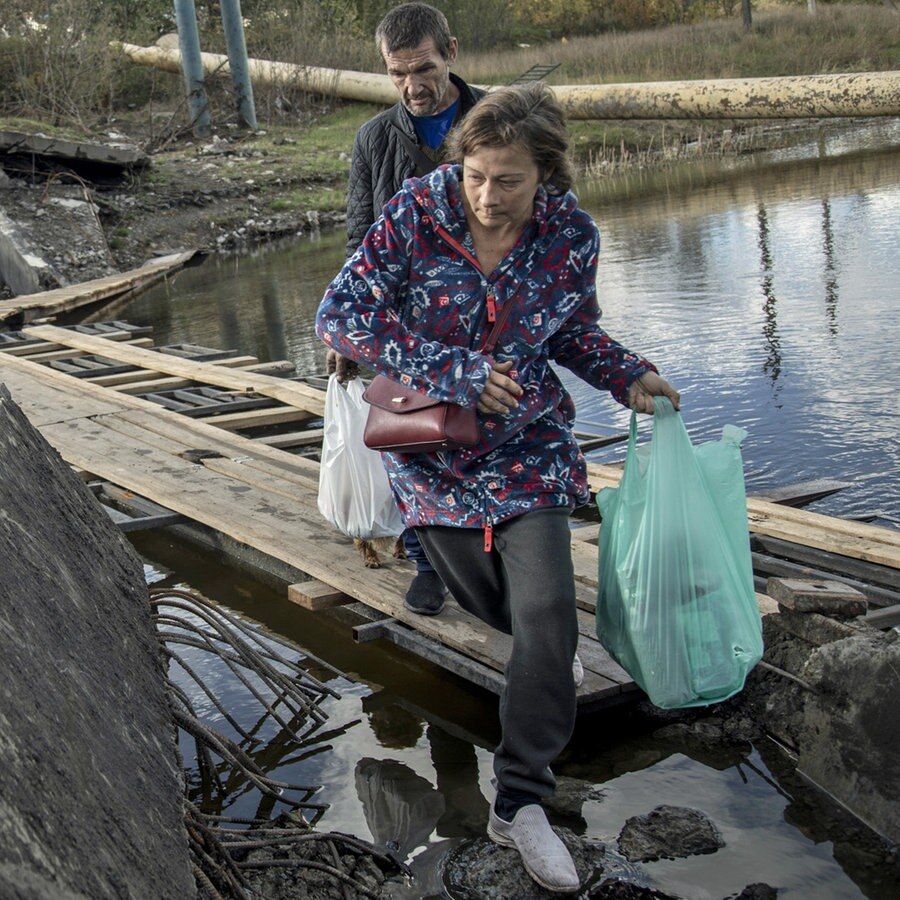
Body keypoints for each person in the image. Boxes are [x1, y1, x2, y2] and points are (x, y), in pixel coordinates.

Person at [317, 82, 680, 893]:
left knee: (549, 611)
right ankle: (547, 669)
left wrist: (629, 375)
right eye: (476, 175)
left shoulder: (569, 234)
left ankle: (522, 800)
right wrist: (457, 371)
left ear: (545, 174)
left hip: (528, 445)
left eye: (508, 180)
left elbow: (574, 329)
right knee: (499, 611)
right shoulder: (418, 213)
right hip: (430, 450)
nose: (487, 196)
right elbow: (340, 315)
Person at [328, 2, 486, 616]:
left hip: (486, 314)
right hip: (405, 324)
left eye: (423, 68)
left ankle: (491, 554)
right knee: (408, 442)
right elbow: (359, 237)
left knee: (485, 437)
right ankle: (427, 563)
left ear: (451, 48)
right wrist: (346, 332)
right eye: (398, 74)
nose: (412, 86)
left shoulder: (496, 118)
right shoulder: (373, 138)